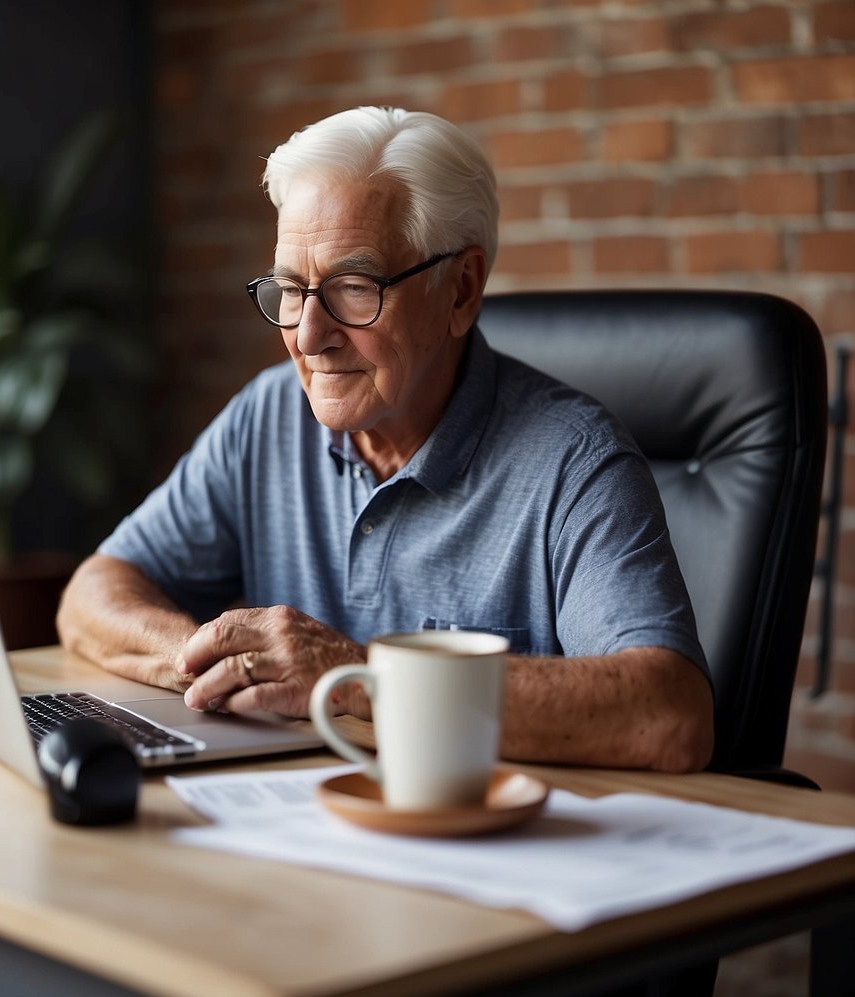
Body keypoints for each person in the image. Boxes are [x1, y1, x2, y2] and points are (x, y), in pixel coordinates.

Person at [56, 105, 714, 773]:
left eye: (352, 287)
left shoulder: (576, 459)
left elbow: (667, 713)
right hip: (299, 831)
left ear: (461, 289)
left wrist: (353, 676)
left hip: (489, 850)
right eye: (290, 288)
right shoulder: (268, 414)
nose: (309, 336)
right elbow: (92, 594)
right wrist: (214, 661)